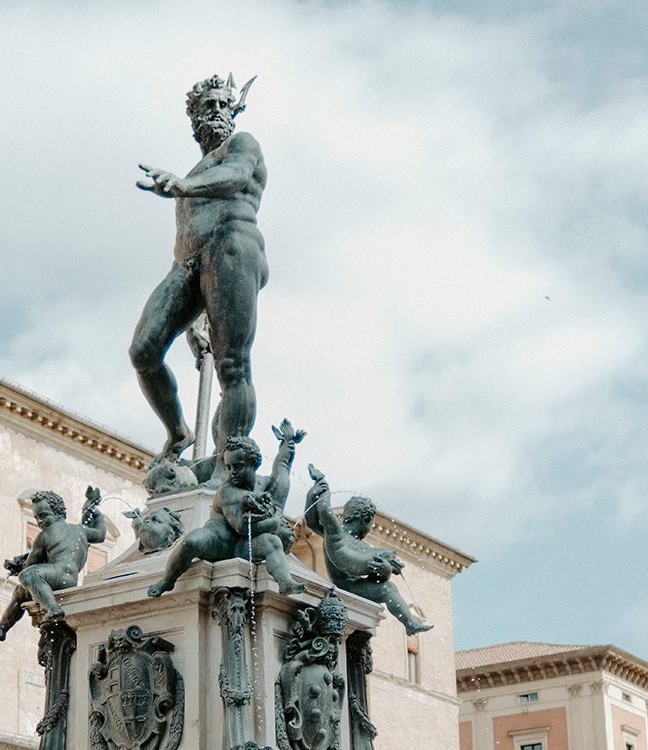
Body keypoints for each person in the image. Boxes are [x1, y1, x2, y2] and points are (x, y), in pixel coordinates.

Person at [131, 74, 267, 463]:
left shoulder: (242, 146)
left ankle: (231, 460)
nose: (217, 112)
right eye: (208, 106)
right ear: (194, 117)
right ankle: (178, 433)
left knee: (232, 364)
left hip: (232, 247)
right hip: (189, 266)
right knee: (144, 351)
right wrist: (196, 316)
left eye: (224, 105)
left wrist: (182, 187)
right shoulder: (190, 174)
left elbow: (235, 177)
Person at [147, 420, 306, 597]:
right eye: (228, 467)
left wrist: (288, 444)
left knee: (272, 542)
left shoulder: (264, 484)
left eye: (238, 466)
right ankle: (167, 580)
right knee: (190, 541)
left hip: (242, 546)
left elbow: (282, 471)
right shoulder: (227, 490)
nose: (232, 473)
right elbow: (242, 528)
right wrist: (274, 522)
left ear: (254, 464)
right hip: (219, 540)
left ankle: (284, 582)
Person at [303, 465, 433, 635]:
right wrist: (320, 489)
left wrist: (385, 570)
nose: (371, 528)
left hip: (357, 586)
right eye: (371, 523)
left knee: (388, 588)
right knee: (388, 588)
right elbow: (316, 518)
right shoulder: (335, 535)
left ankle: (409, 623)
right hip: (345, 586)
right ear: (365, 519)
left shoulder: (364, 548)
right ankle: (410, 623)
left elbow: (377, 578)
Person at [0, 487, 106, 641]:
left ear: (58, 512)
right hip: (69, 579)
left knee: (26, 576)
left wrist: (18, 566)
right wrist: (96, 513)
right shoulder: (81, 530)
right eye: (36, 518)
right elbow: (100, 534)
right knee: (20, 592)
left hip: (57, 576)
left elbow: (31, 565)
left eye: (43, 516)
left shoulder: (45, 535)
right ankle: (1, 629)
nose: (40, 522)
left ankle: (52, 608)